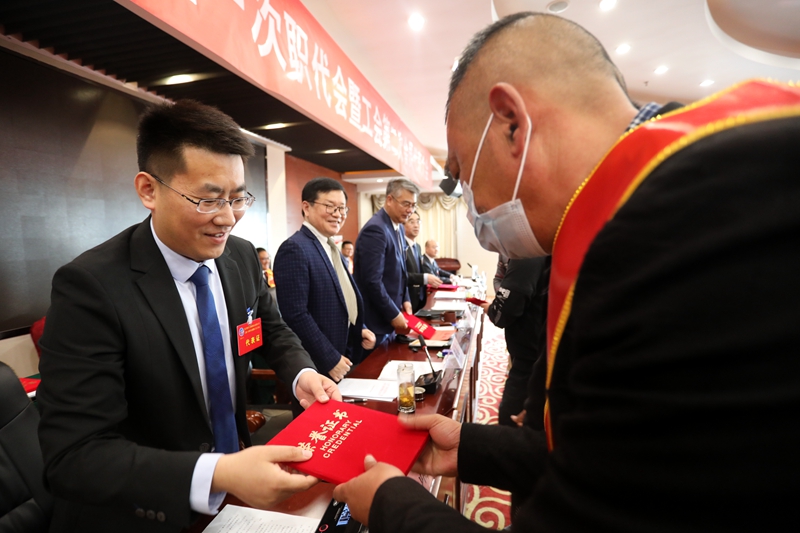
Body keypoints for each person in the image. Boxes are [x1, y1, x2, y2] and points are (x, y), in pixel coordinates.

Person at [333, 12, 800, 533]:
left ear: (511, 123)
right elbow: (618, 460)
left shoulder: (699, 212)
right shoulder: (640, 203)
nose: (472, 204)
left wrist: (392, 506)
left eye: (462, 174)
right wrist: (471, 448)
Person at [37, 100, 340, 533]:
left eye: (238, 198)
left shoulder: (239, 257)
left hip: (236, 498)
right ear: (148, 190)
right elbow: (74, 456)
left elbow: (269, 328)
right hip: (145, 513)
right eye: (208, 199)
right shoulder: (91, 287)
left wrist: (301, 374)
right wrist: (217, 473)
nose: (227, 218)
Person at [273, 178, 376, 384]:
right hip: (319, 367)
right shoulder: (295, 248)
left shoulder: (331, 247)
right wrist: (329, 358)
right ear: (306, 207)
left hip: (345, 353)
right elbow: (295, 315)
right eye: (330, 206)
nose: (338, 214)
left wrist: (358, 328)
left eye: (342, 208)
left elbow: (340, 298)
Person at [483, 256, 549, 428]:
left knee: (511, 421)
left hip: (532, 356)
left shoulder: (526, 254)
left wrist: (493, 310)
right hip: (539, 350)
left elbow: (505, 312)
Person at [354, 179, 418, 347]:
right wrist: (393, 314)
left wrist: (405, 299)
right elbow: (372, 281)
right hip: (375, 323)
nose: (410, 210)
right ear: (389, 199)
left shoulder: (398, 227)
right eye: (406, 204)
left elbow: (400, 271)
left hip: (390, 319)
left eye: (413, 205)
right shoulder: (376, 230)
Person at [404, 212, 444, 314]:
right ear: (403, 224)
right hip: (407, 300)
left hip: (421, 298)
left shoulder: (417, 247)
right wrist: (425, 278)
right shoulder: (401, 246)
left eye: (418, 222)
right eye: (411, 222)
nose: (416, 225)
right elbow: (401, 275)